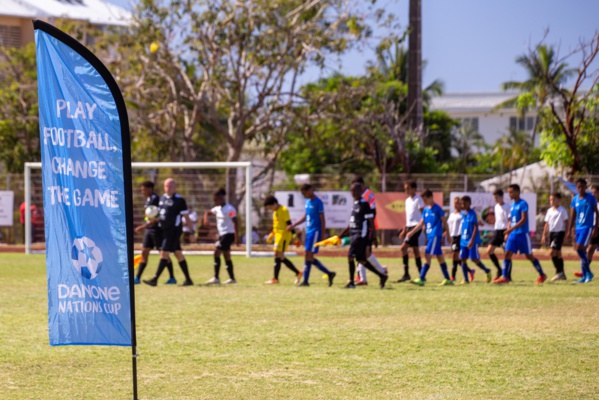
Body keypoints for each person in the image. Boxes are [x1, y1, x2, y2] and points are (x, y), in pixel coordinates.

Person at [143, 178, 194, 287]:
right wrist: (152, 219)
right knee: (178, 254)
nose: (168, 188)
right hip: (164, 231)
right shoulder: (162, 198)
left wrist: (192, 232)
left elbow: (186, 217)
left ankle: (155, 279)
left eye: (170, 186)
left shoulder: (179, 200)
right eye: (166, 186)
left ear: (175, 187)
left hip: (174, 231)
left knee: (164, 253)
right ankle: (188, 280)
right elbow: (161, 215)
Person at [338, 182, 388, 289]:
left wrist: (374, 237)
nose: (352, 192)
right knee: (361, 260)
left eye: (354, 190)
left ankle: (351, 283)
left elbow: (371, 222)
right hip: (354, 235)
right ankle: (382, 276)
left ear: (360, 191)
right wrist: (341, 235)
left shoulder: (365, 205)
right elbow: (352, 223)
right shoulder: (355, 204)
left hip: (360, 235)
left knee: (350, 256)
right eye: (351, 190)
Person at [495, 184, 547, 285]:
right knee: (507, 254)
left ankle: (542, 274)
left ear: (517, 192)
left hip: (522, 234)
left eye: (511, 192)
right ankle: (505, 277)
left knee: (529, 256)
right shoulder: (512, 205)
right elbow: (511, 220)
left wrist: (510, 229)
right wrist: (509, 231)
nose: (509, 194)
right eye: (509, 192)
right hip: (513, 234)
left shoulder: (523, 204)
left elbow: (523, 219)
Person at [288, 184, 336, 287]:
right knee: (309, 256)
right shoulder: (307, 202)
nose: (304, 195)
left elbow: (322, 219)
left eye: (305, 193)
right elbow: (306, 216)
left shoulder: (318, 202)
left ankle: (306, 281)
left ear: (310, 190)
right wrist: (294, 225)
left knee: (307, 254)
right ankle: (329, 273)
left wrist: (323, 234)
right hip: (309, 231)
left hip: (315, 231)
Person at [407, 190, 453, 286]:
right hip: (430, 236)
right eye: (423, 200)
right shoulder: (426, 210)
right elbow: (421, 223)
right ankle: (448, 279)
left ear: (431, 197)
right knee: (440, 257)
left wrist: (448, 236)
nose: (424, 202)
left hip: (435, 235)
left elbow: (445, 222)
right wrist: (411, 232)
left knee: (427, 254)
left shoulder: (438, 209)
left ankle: (421, 278)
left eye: (425, 200)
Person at [133, 181, 175, 285]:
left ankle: (172, 277)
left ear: (150, 189)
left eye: (144, 190)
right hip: (149, 230)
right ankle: (137, 277)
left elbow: (158, 218)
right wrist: (146, 225)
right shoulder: (148, 199)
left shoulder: (157, 200)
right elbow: (149, 216)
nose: (142, 192)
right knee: (144, 252)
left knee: (163, 254)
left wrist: (143, 226)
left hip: (156, 230)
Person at [351, 176, 388, 286]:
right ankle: (366, 276)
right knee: (364, 254)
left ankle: (380, 272)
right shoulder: (361, 195)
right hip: (362, 228)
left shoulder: (368, 195)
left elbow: (372, 213)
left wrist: (371, 230)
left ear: (361, 185)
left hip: (366, 228)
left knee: (364, 253)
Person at [202, 188, 239, 285]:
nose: (214, 202)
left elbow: (235, 222)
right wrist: (206, 219)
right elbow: (207, 212)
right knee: (226, 255)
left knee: (216, 253)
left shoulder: (230, 209)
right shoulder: (217, 208)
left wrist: (237, 237)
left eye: (215, 200)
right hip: (222, 235)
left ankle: (216, 277)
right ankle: (232, 278)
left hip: (229, 234)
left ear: (221, 198)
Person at [263, 195, 302, 284]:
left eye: (270, 207)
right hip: (278, 236)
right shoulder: (275, 212)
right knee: (279, 256)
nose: (270, 209)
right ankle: (296, 273)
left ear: (275, 203)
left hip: (284, 236)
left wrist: (295, 238)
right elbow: (276, 227)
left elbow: (289, 225)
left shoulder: (284, 210)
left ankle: (277, 278)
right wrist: (271, 235)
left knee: (278, 255)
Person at [566, 179, 598, 283]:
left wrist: (595, 227)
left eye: (582, 187)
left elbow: (596, 212)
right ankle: (584, 276)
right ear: (576, 188)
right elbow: (573, 215)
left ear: (585, 187)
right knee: (582, 251)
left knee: (579, 248)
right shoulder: (575, 199)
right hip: (578, 228)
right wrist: (569, 229)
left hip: (587, 227)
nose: (580, 189)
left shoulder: (591, 198)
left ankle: (588, 273)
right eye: (578, 187)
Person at [458, 196, 492, 284]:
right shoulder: (463, 214)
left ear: (469, 203)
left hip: (471, 241)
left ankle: (487, 270)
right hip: (463, 240)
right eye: (462, 203)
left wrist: (472, 240)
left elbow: (475, 227)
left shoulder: (472, 213)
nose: (463, 205)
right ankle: (465, 279)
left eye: (464, 203)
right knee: (462, 259)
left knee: (474, 259)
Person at [397, 181, 424, 282]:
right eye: (405, 189)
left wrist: (422, 225)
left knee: (403, 248)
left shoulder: (418, 199)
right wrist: (404, 229)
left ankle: (406, 274)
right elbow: (408, 217)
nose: (406, 191)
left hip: (416, 227)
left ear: (413, 188)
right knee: (416, 250)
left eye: (408, 188)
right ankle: (422, 274)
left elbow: (423, 214)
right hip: (409, 227)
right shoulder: (407, 201)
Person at [541, 192, 568, 281]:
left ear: (559, 200)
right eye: (550, 199)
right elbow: (547, 223)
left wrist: (566, 234)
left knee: (551, 252)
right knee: (558, 253)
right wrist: (544, 235)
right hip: (552, 233)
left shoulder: (562, 210)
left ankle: (559, 272)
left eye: (554, 199)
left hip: (559, 233)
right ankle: (562, 273)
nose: (552, 201)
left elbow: (566, 222)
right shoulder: (549, 211)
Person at [487, 189, 510, 282]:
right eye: (494, 197)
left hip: (505, 231)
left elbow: (509, 220)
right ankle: (499, 270)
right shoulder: (496, 207)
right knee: (489, 251)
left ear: (501, 197)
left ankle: (507, 275)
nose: (495, 199)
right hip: (497, 231)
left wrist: (507, 232)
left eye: (496, 197)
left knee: (507, 254)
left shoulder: (507, 207)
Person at [446, 196, 463, 281]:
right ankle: (469, 270)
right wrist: (446, 234)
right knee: (456, 257)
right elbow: (449, 226)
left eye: (457, 203)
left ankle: (453, 276)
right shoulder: (452, 215)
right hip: (453, 237)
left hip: (459, 236)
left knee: (454, 255)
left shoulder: (462, 215)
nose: (456, 205)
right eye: (455, 203)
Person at [585, 186, 599, 269]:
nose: (593, 194)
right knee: (590, 250)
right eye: (592, 193)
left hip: (597, 228)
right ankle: (585, 270)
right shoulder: (591, 204)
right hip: (594, 228)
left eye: (595, 192)